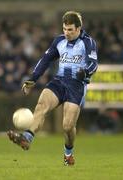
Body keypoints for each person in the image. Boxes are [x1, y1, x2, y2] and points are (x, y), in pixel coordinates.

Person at [7, 11, 98, 166]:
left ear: (78, 28)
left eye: (70, 30)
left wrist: (85, 71)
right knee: (42, 105)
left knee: (68, 126)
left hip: (76, 85)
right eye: (64, 29)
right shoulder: (59, 41)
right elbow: (45, 60)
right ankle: (27, 138)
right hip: (59, 82)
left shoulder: (88, 42)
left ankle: (68, 154)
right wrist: (32, 80)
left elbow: (93, 64)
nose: (66, 33)